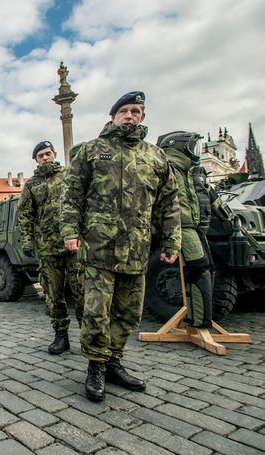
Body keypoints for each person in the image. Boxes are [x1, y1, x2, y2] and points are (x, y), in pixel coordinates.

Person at [60, 91, 181, 402]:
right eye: (125, 110)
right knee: (96, 312)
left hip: (136, 250)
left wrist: (171, 240)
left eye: (137, 111)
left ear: (142, 116)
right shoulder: (92, 151)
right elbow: (71, 195)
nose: (131, 115)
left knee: (128, 314)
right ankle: (96, 367)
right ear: (113, 116)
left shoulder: (155, 157)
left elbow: (169, 203)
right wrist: (70, 231)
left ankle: (113, 361)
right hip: (98, 248)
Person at [18, 141, 83, 355]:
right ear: (35, 160)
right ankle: (60, 336)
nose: (45, 158)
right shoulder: (32, 185)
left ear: (55, 154)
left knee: (82, 292)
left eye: (48, 154)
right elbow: (26, 215)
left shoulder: (69, 175)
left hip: (74, 245)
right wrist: (28, 242)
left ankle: (88, 336)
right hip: (48, 247)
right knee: (54, 295)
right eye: (40, 156)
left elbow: (83, 204)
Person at [158, 131, 213, 328]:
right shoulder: (168, 168)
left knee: (201, 269)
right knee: (200, 268)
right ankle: (201, 321)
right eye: (191, 146)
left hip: (194, 226)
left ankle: (196, 317)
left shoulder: (188, 170)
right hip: (182, 226)